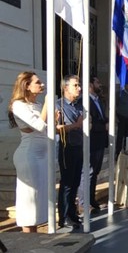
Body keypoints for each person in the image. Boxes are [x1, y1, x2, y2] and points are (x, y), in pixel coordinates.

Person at [7, 72, 51, 232]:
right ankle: (27, 240)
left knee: (40, 200)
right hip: (29, 156)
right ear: (27, 85)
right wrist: (48, 103)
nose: (42, 85)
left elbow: (47, 129)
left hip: (43, 156)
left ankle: (36, 238)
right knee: (30, 200)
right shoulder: (18, 105)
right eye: (38, 82)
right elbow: (38, 126)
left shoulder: (38, 105)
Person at [56, 75, 84, 229]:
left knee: (75, 183)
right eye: (76, 85)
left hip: (78, 146)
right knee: (66, 183)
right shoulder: (58, 105)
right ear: (66, 88)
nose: (79, 88)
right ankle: (64, 216)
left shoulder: (78, 105)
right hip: (66, 148)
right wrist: (76, 125)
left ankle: (73, 213)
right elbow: (56, 129)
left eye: (79, 85)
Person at [88, 76, 108, 212]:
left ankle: (92, 200)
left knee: (95, 172)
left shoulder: (98, 100)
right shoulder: (85, 101)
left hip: (100, 140)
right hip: (91, 140)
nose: (99, 84)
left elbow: (101, 118)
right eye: (97, 82)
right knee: (89, 172)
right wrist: (103, 127)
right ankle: (85, 202)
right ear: (90, 84)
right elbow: (89, 122)